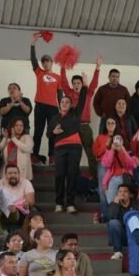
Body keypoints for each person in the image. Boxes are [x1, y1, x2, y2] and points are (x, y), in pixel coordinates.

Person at [48, 75, 88, 213]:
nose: (64, 104)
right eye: (62, 102)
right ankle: (59, 203)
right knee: (59, 175)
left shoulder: (75, 113)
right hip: (59, 149)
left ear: (71, 105)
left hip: (75, 149)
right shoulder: (54, 118)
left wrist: (85, 85)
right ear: (59, 104)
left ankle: (70, 203)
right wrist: (53, 131)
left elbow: (82, 99)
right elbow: (49, 135)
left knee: (72, 174)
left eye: (67, 102)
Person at [60, 57, 102, 178]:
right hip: (72, 128)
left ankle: (94, 177)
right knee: (74, 155)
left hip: (84, 127)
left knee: (91, 153)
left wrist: (97, 68)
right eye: (74, 83)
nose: (77, 85)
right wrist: (62, 67)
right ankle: (75, 178)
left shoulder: (87, 93)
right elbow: (63, 82)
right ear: (72, 85)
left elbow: (94, 84)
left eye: (79, 83)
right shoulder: (69, 94)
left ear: (82, 84)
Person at [30, 33, 61, 163]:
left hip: (53, 108)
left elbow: (60, 94)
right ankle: (35, 155)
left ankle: (52, 156)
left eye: (47, 61)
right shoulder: (39, 73)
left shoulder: (57, 77)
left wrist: (62, 109)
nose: (45, 63)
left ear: (51, 63)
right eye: (43, 61)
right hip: (40, 106)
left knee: (52, 133)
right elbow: (33, 59)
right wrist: (32, 44)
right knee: (38, 131)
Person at [107, 183, 133, 260]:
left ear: (130, 194)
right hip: (118, 236)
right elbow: (111, 217)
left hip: (131, 235)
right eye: (120, 191)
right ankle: (117, 252)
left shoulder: (135, 205)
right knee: (113, 222)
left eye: (125, 191)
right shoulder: (113, 204)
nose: (122, 193)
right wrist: (116, 205)